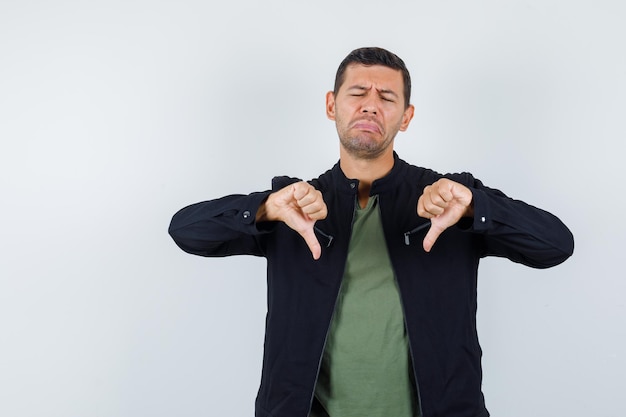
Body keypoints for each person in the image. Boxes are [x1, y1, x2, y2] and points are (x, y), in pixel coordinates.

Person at [168, 47, 574, 417]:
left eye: (387, 97)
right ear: (332, 105)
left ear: (407, 116)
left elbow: (556, 244)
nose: (370, 106)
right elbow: (186, 231)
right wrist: (263, 208)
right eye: (357, 93)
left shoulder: (448, 201)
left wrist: (476, 207)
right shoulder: (294, 206)